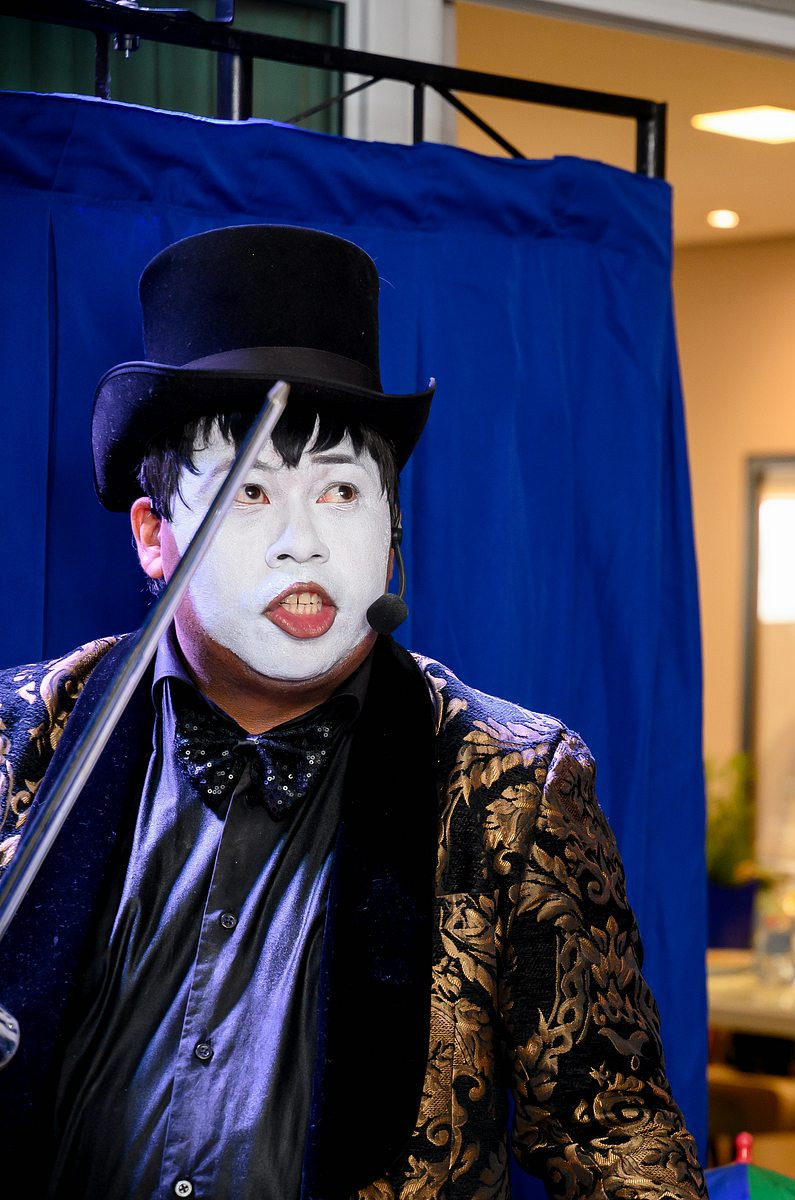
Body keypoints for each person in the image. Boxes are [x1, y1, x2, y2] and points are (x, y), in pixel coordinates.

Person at [0, 224, 704, 1199]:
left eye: (340, 490)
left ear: (391, 532)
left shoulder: (510, 784)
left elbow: (619, 1141)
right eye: (250, 492)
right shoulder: (21, 739)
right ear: (153, 535)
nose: (305, 543)